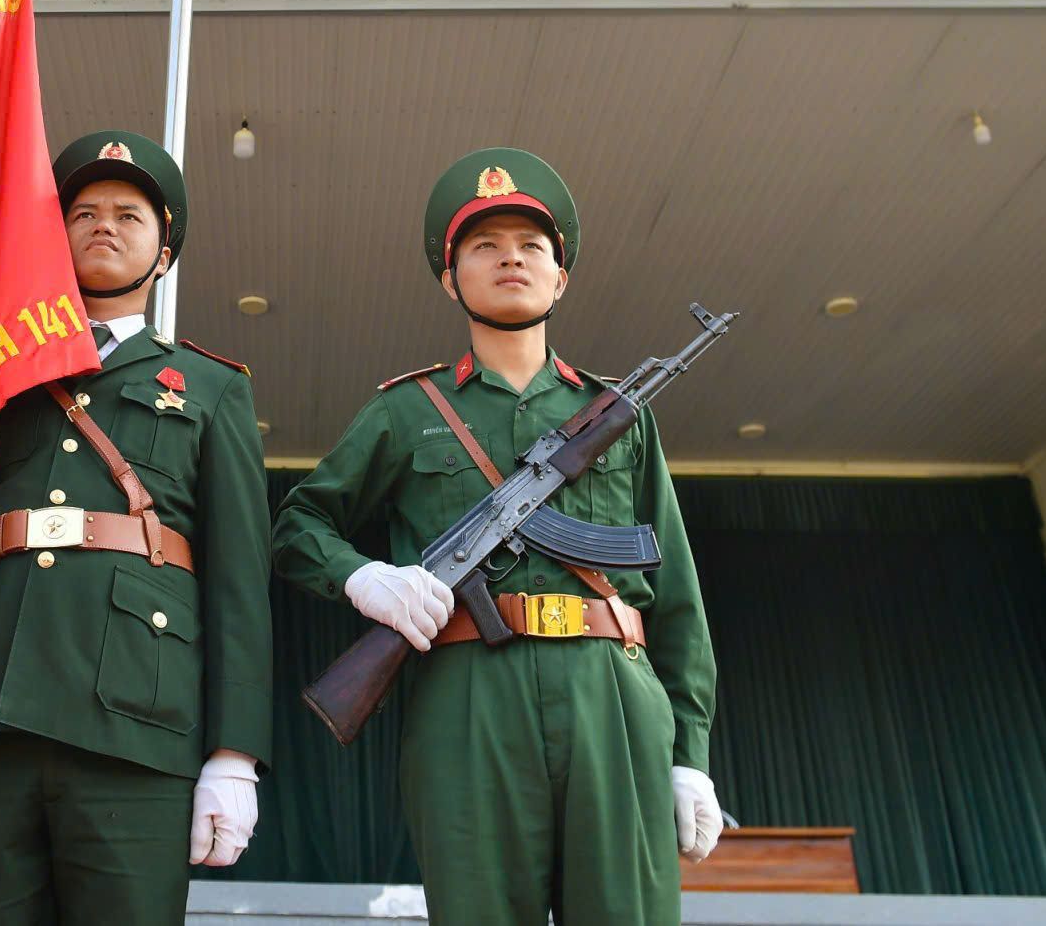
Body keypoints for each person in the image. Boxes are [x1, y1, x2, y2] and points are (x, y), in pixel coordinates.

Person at [271, 147, 721, 926]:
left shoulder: (619, 414)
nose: (511, 257)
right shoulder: (405, 410)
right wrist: (365, 578)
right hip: (465, 696)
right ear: (451, 279)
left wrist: (690, 755)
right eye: (484, 245)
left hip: (610, 692)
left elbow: (674, 593)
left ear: (560, 277)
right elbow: (297, 525)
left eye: (530, 245)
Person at [0, 130, 273, 924]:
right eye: (82, 212)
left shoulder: (210, 387)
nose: (103, 225)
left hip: (137, 730)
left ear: (164, 253)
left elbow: (237, 585)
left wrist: (234, 753)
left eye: (128, 214)